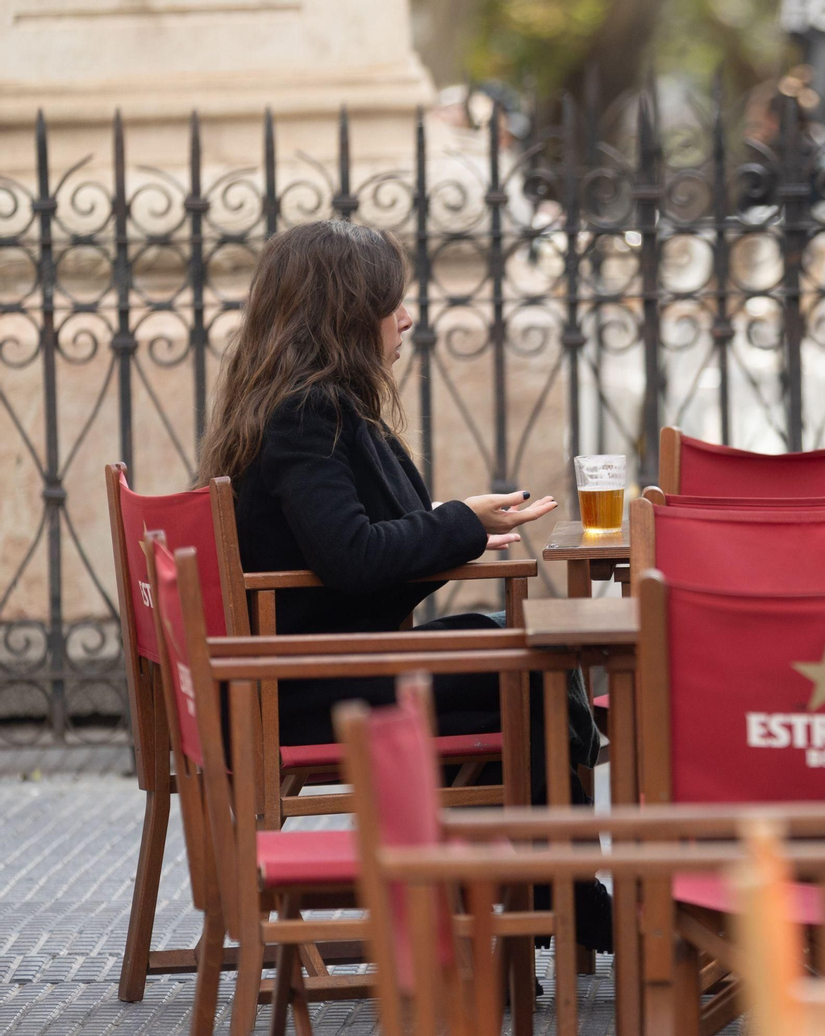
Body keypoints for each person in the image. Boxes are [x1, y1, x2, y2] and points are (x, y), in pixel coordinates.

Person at [195, 218, 609, 945]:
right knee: (531, 665)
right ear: (348, 315)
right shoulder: (305, 416)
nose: (407, 318)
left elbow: (365, 543)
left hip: (318, 668)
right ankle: (560, 897)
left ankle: (533, 898)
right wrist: (459, 522)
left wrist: (464, 523)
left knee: (517, 649)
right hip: (308, 686)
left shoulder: (312, 408)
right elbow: (354, 557)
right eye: (392, 303)